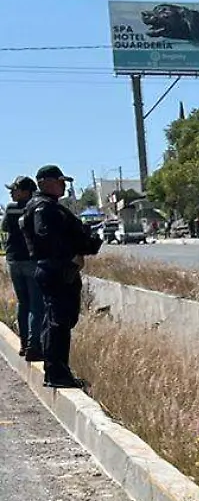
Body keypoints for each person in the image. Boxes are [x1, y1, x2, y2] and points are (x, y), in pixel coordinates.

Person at [22, 164, 97, 388]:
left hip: (56, 270)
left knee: (58, 321)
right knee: (58, 323)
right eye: (59, 181)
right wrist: (70, 256)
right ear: (45, 182)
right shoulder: (43, 208)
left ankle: (57, 371)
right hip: (57, 271)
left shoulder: (47, 206)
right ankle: (57, 374)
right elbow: (47, 239)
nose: (63, 186)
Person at [3, 176, 43, 360]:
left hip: (13, 260)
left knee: (23, 303)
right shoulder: (36, 206)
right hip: (31, 260)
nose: (11, 192)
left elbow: (5, 228)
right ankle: (33, 346)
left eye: (14, 189)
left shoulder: (11, 209)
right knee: (36, 304)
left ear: (25, 190)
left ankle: (24, 343)